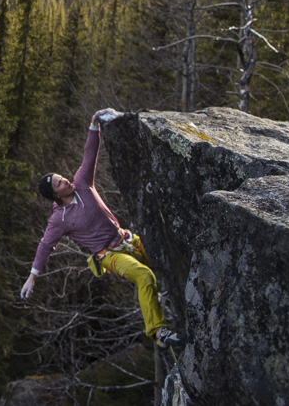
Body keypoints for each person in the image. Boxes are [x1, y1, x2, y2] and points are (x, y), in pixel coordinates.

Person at [19, 108, 185, 350]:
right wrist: (32, 276)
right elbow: (46, 245)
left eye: (62, 177)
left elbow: (90, 154)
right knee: (144, 276)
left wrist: (94, 124)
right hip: (111, 256)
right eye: (59, 183)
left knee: (169, 259)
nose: (65, 180)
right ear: (56, 195)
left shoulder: (83, 183)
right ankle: (159, 331)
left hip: (128, 239)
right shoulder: (59, 219)